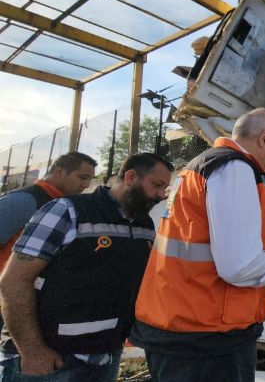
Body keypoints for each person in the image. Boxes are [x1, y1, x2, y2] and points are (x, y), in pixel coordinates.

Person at [130, 108, 265, 382]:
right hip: (206, 337)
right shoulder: (235, 168)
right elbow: (239, 268)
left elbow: (209, 246)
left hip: (182, 325)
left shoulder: (200, 166)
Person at [0, 153, 173, 381]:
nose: (161, 195)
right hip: (52, 362)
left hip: (104, 359)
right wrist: (32, 351)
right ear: (130, 177)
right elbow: (14, 281)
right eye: (157, 185)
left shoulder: (144, 225)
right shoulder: (66, 211)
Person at [0, 152, 97, 273]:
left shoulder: (60, 203)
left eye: (90, 179)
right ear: (59, 171)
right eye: (82, 177)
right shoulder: (24, 200)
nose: (86, 185)